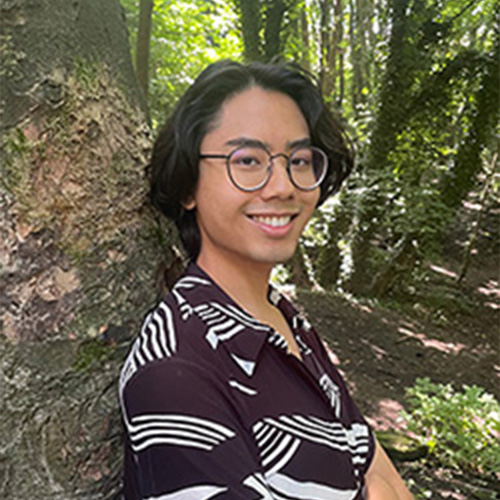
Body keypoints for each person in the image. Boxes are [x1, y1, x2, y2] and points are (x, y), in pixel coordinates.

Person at [119, 60, 414, 500]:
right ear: (187, 185)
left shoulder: (283, 319)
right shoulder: (174, 373)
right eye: (247, 160)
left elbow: (378, 469)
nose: (282, 187)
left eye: (299, 160)